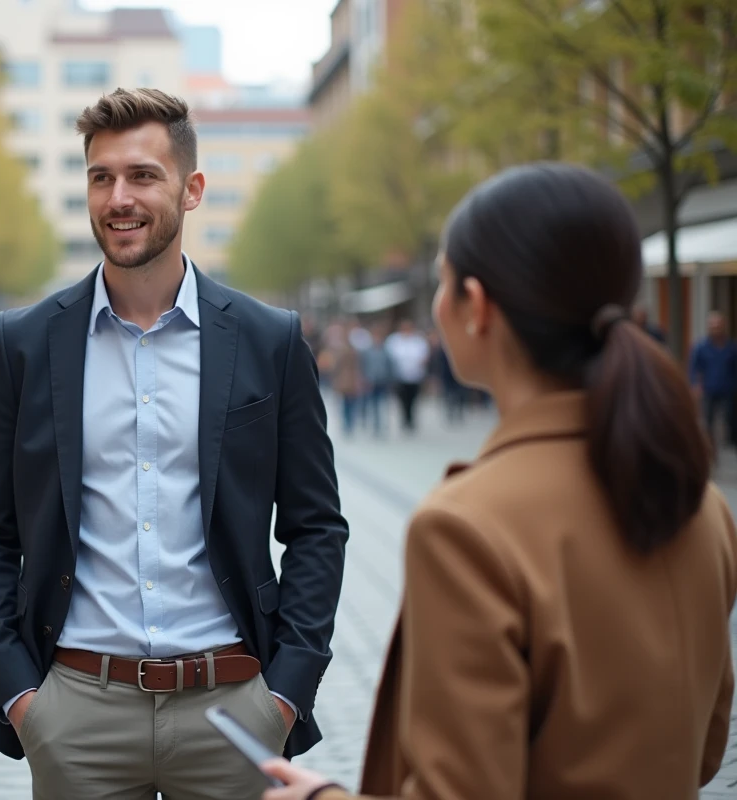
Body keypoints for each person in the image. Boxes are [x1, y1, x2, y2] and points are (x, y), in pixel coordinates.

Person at [260, 164, 735, 799]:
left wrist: (323, 797)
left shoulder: (466, 527)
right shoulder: (700, 501)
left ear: (476, 307)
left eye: (443, 282)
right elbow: (706, 751)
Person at [0, 88, 349, 800]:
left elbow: (317, 526)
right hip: (76, 708)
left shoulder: (269, 340)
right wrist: (18, 694)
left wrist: (285, 692)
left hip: (235, 706)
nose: (117, 197)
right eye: (100, 177)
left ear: (192, 189)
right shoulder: (24, 343)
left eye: (142, 175)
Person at [690, 311, 737, 456]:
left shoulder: (731, 347)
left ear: (724, 326)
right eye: (713, 325)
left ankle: (730, 445)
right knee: (708, 420)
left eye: (718, 325)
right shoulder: (701, 346)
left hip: (728, 388)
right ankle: (710, 446)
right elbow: (694, 367)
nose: (716, 327)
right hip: (709, 388)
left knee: (730, 418)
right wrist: (695, 385)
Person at [384, 319, 429, 433]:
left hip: (415, 376)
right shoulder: (394, 340)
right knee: (402, 400)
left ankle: (411, 419)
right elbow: (389, 357)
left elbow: (425, 355)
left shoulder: (418, 341)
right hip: (400, 377)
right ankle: (404, 419)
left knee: (413, 399)